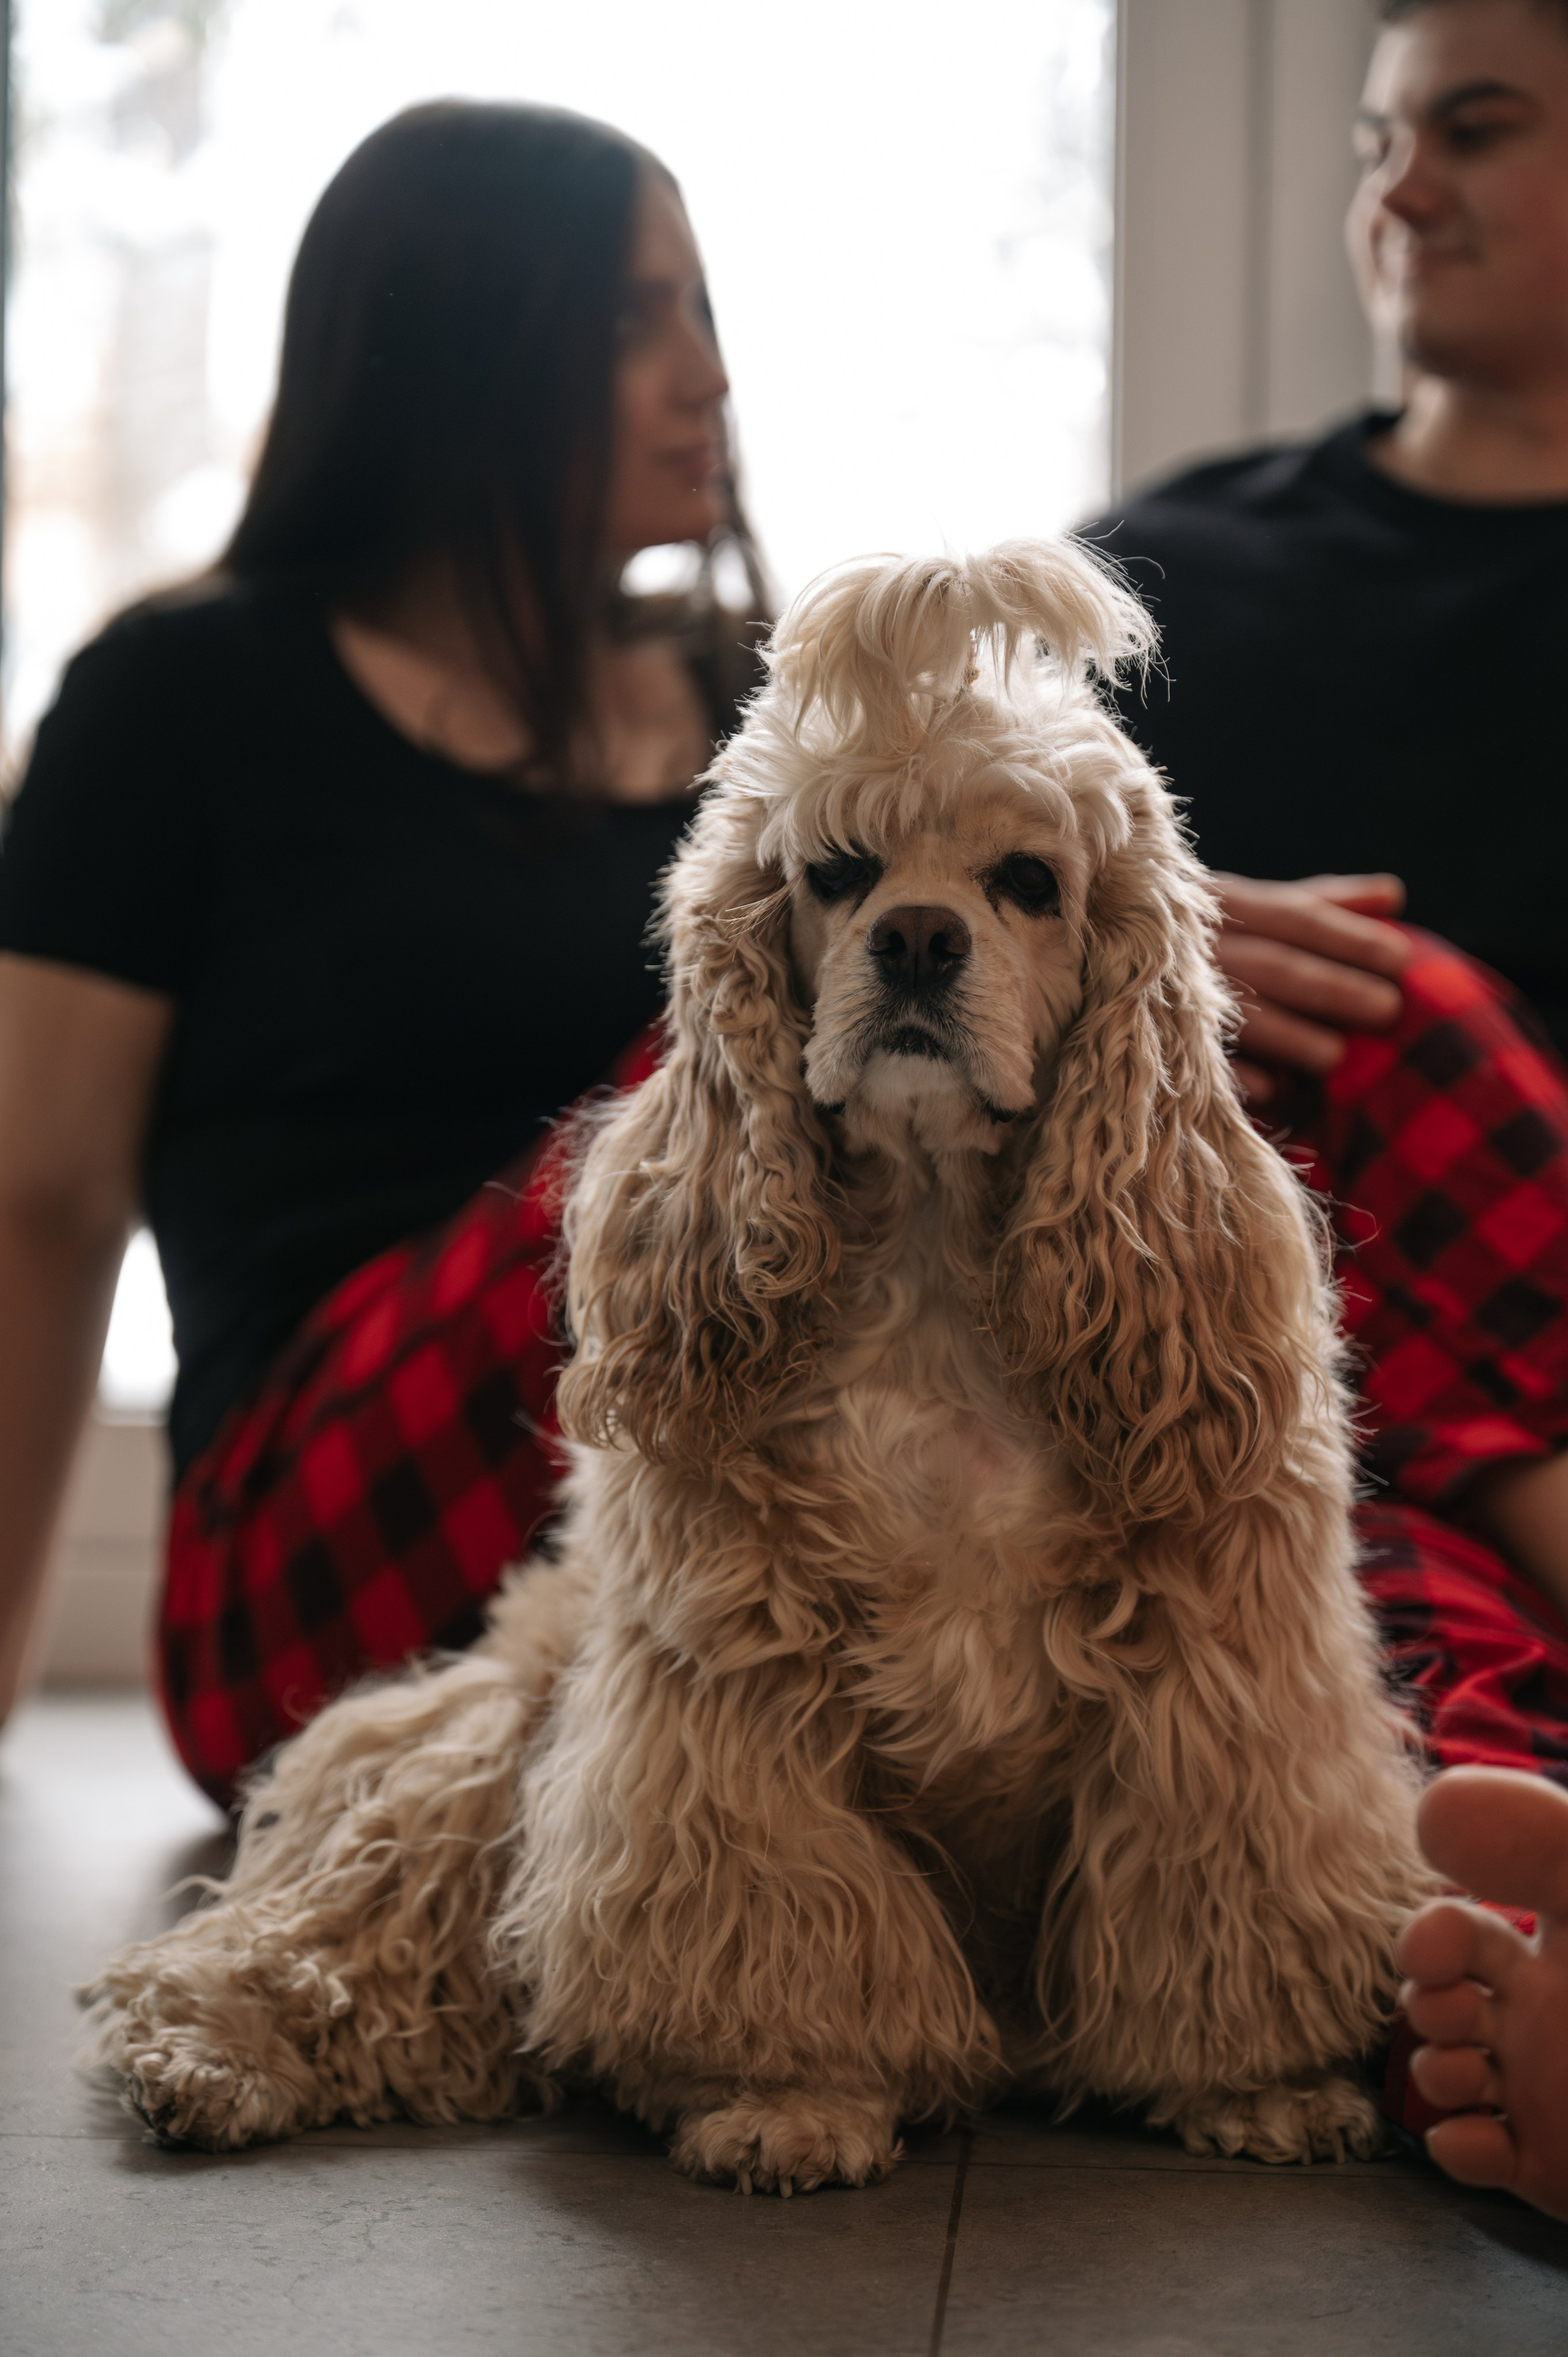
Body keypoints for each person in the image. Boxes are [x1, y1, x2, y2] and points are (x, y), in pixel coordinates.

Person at [0, 100, 763, 1765]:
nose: (706, 373)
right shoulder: (182, 700)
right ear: (461, 349)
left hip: (699, 1551)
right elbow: (36, 1209)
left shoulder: (747, 692)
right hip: (312, 1577)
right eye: (635, 320)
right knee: (768, 1055)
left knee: (1274, 1006)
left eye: (702, 311)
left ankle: (1454, 1773)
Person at [1090, 0, 1568, 2215]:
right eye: (1380, 136)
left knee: (1420, 1026)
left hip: (1517, 1296)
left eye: (1476, 127)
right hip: (1282, 1323)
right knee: (1335, 1612)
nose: (1399, 186)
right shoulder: (1183, 580)